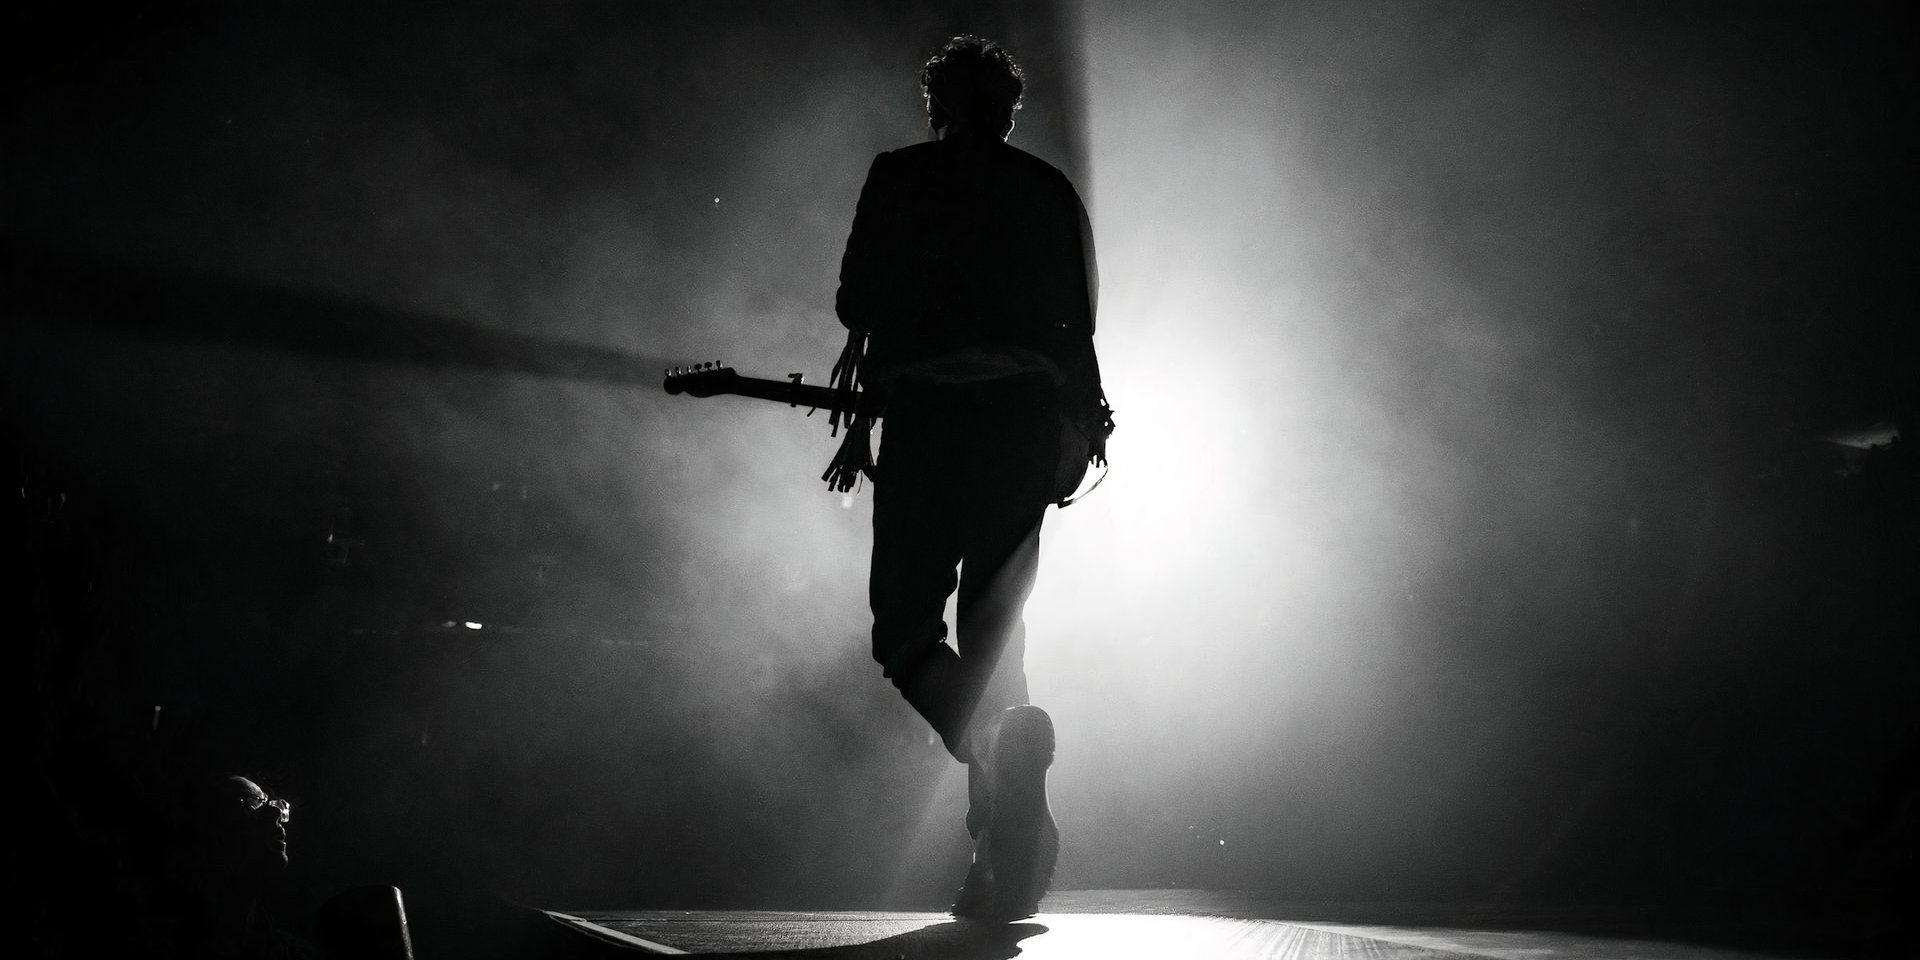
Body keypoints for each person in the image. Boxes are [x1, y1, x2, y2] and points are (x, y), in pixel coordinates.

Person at [825, 35, 1108, 921]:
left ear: (936, 104)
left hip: (931, 420)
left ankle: (988, 744)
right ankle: (995, 867)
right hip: (1023, 426)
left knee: (906, 630)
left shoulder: (901, 175)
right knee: (997, 638)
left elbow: (855, 300)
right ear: (1010, 110)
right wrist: (1079, 425)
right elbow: (1079, 319)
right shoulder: (1047, 189)